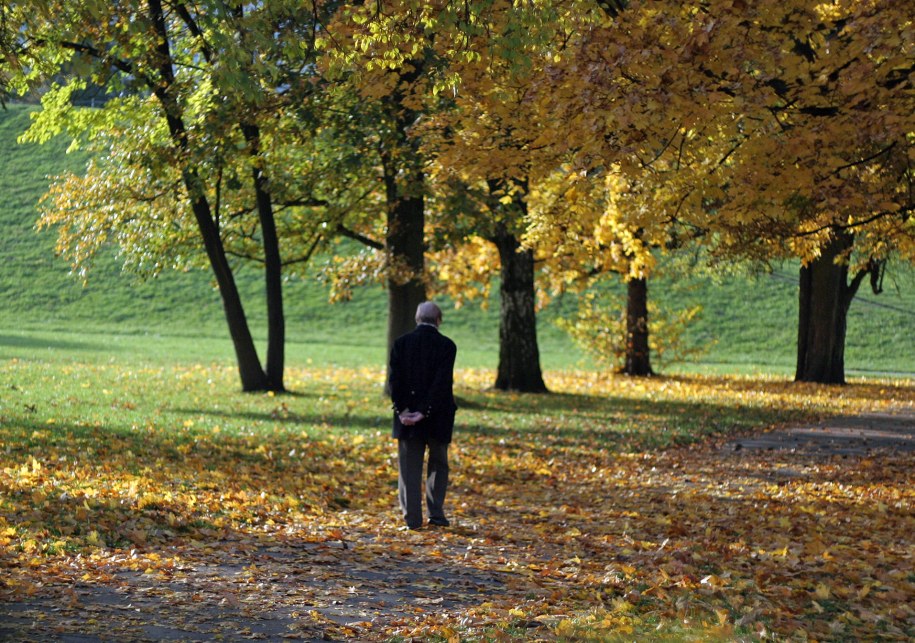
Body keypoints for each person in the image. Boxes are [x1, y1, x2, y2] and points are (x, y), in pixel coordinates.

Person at [388, 301, 458, 530]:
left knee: (409, 467)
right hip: (438, 415)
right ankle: (436, 513)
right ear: (439, 320)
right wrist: (425, 411)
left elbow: (395, 381)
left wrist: (403, 410)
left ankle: (412, 519)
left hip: (407, 417)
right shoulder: (447, 346)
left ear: (417, 319)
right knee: (438, 464)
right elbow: (441, 383)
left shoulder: (400, 343)